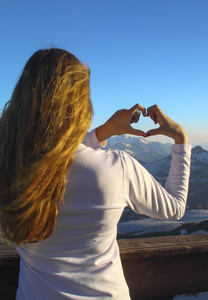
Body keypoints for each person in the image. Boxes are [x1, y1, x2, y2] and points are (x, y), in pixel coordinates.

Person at [0, 49, 191, 299]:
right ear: (79, 106)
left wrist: (101, 133)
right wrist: (180, 140)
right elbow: (174, 207)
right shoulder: (117, 168)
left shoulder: (7, 166)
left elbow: (57, 160)